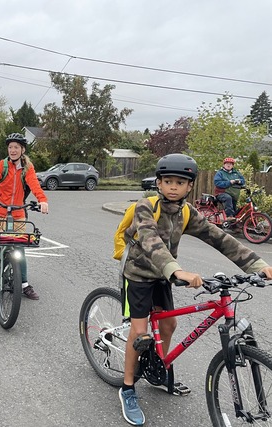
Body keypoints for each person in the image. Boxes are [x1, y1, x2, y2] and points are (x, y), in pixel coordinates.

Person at [118, 153, 272, 426]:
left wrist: (257, 264)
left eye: (180, 182)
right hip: (140, 275)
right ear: (159, 183)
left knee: (169, 326)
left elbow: (220, 238)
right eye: (168, 181)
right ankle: (128, 388)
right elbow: (150, 240)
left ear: (190, 186)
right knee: (140, 333)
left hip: (163, 277)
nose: (173, 187)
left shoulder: (187, 212)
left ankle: (158, 368)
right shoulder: (145, 206)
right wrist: (176, 270)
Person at [0, 132, 49, 302]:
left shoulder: (27, 168)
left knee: (19, 250)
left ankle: (25, 284)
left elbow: (34, 185)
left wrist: (42, 200)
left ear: (22, 150)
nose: (13, 150)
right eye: (10, 147)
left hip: (18, 212)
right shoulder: (2, 165)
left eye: (16, 147)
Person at [213, 157, 246, 221]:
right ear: (224, 165)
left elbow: (243, 181)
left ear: (233, 165)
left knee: (235, 209)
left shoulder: (236, 173)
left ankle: (232, 224)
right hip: (221, 193)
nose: (228, 165)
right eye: (227, 164)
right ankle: (229, 217)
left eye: (230, 164)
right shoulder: (220, 173)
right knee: (228, 198)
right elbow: (217, 183)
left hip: (234, 194)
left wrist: (239, 181)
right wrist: (229, 182)